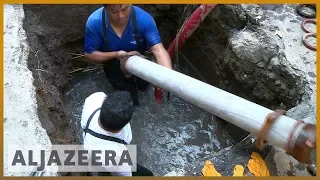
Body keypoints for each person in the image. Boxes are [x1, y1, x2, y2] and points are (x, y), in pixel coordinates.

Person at [84, 4, 172, 106]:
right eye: (113, 11)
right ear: (105, 8)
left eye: (125, 9)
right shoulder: (95, 23)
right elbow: (89, 55)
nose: (120, 15)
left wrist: (167, 78)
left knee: (144, 88)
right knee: (128, 101)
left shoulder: (143, 19)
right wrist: (116, 54)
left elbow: (158, 50)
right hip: (114, 66)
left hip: (141, 62)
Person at [80, 91, 153, 176]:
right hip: (109, 159)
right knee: (148, 175)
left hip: (90, 148)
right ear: (123, 126)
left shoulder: (94, 98)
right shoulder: (120, 158)